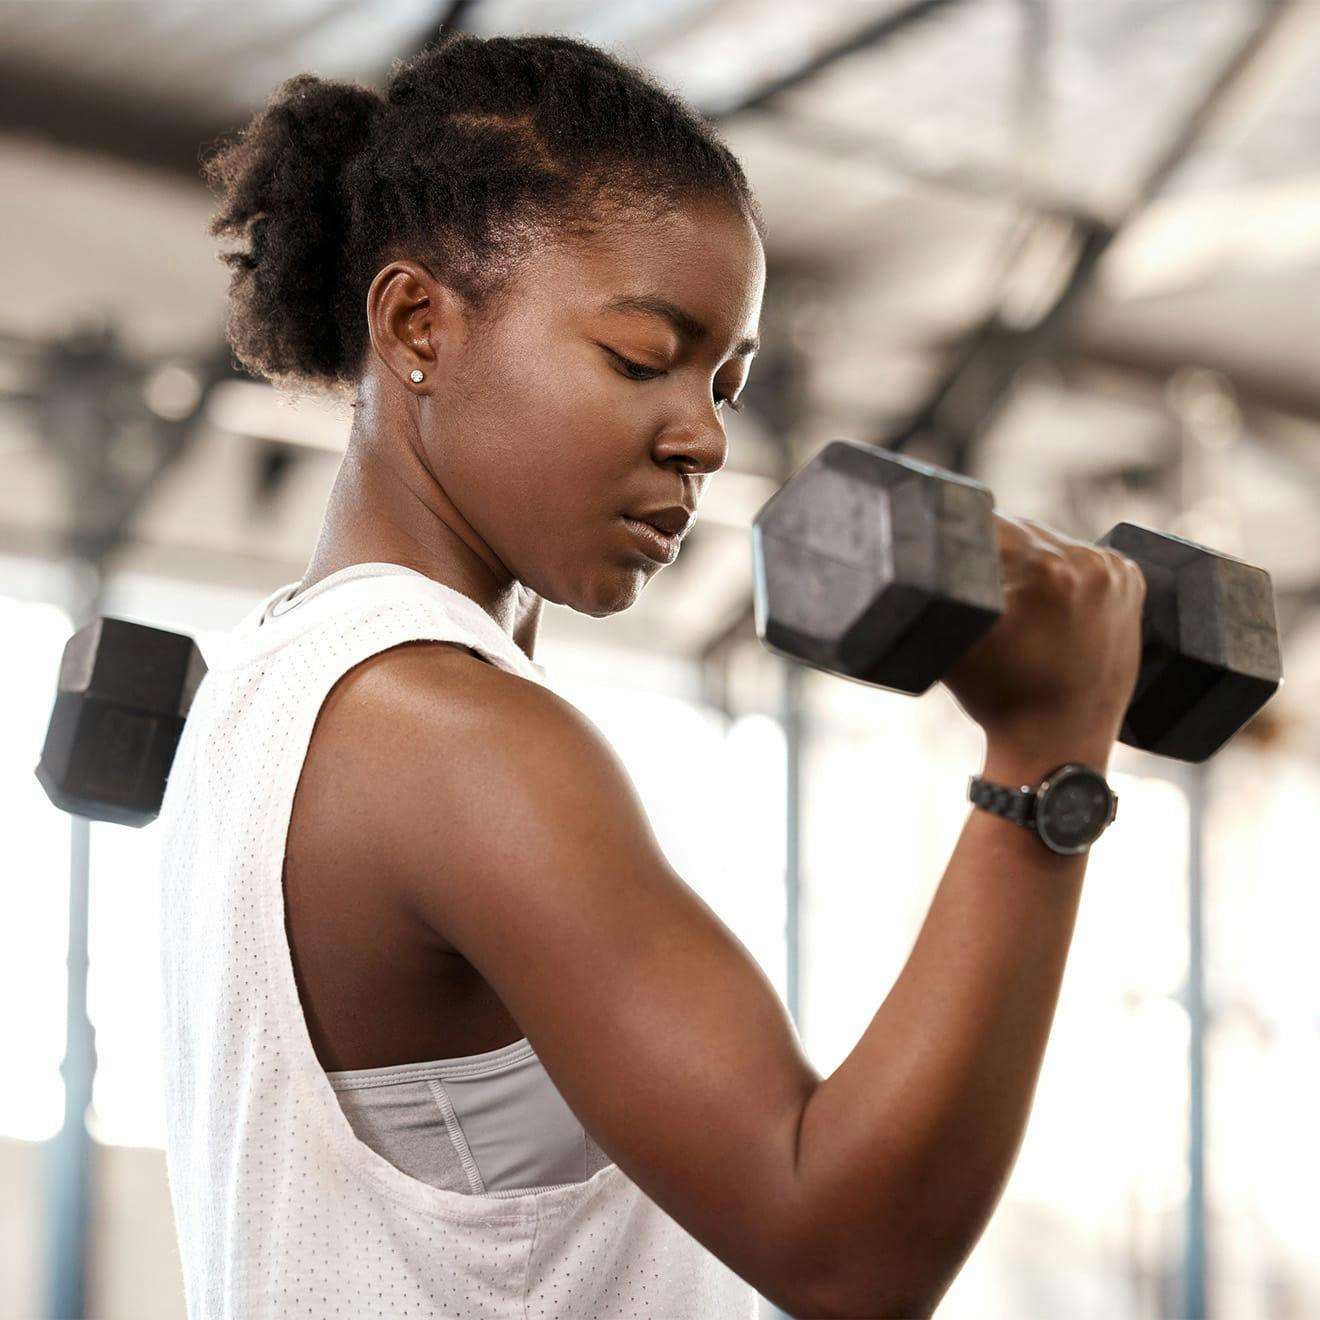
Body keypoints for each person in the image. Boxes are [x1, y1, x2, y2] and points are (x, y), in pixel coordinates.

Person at [155, 30, 1146, 1320]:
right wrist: (1047, 758)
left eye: (724, 382)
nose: (705, 439)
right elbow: (847, 1251)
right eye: (639, 357)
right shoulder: (448, 734)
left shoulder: (266, 686)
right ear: (416, 324)